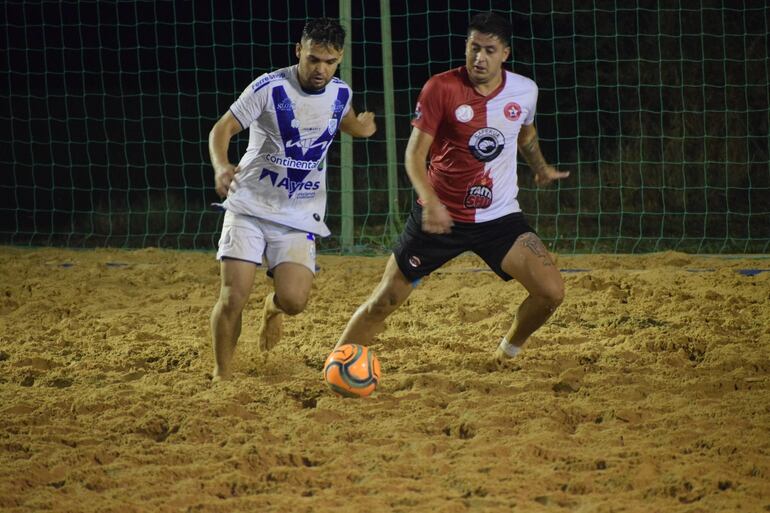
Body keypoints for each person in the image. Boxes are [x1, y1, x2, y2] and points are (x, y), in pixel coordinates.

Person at [336, 11, 568, 363]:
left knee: (551, 292)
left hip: (500, 217)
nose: (479, 57)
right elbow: (414, 155)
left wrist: (540, 168)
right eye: (473, 48)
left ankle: (506, 354)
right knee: (385, 299)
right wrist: (430, 201)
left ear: (505, 53)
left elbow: (526, 133)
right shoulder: (441, 88)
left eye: (489, 50)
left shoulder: (525, 90)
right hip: (440, 216)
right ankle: (337, 363)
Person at [208, 18, 376, 381]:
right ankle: (222, 375)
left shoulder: (340, 91)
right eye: (314, 59)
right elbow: (222, 128)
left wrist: (359, 128)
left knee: (295, 301)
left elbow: (341, 118)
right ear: (299, 50)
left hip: (299, 212)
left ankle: (272, 309)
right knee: (233, 296)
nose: (321, 69)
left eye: (330, 62)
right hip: (249, 204)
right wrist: (222, 165)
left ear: (340, 58)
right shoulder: (268, 88)